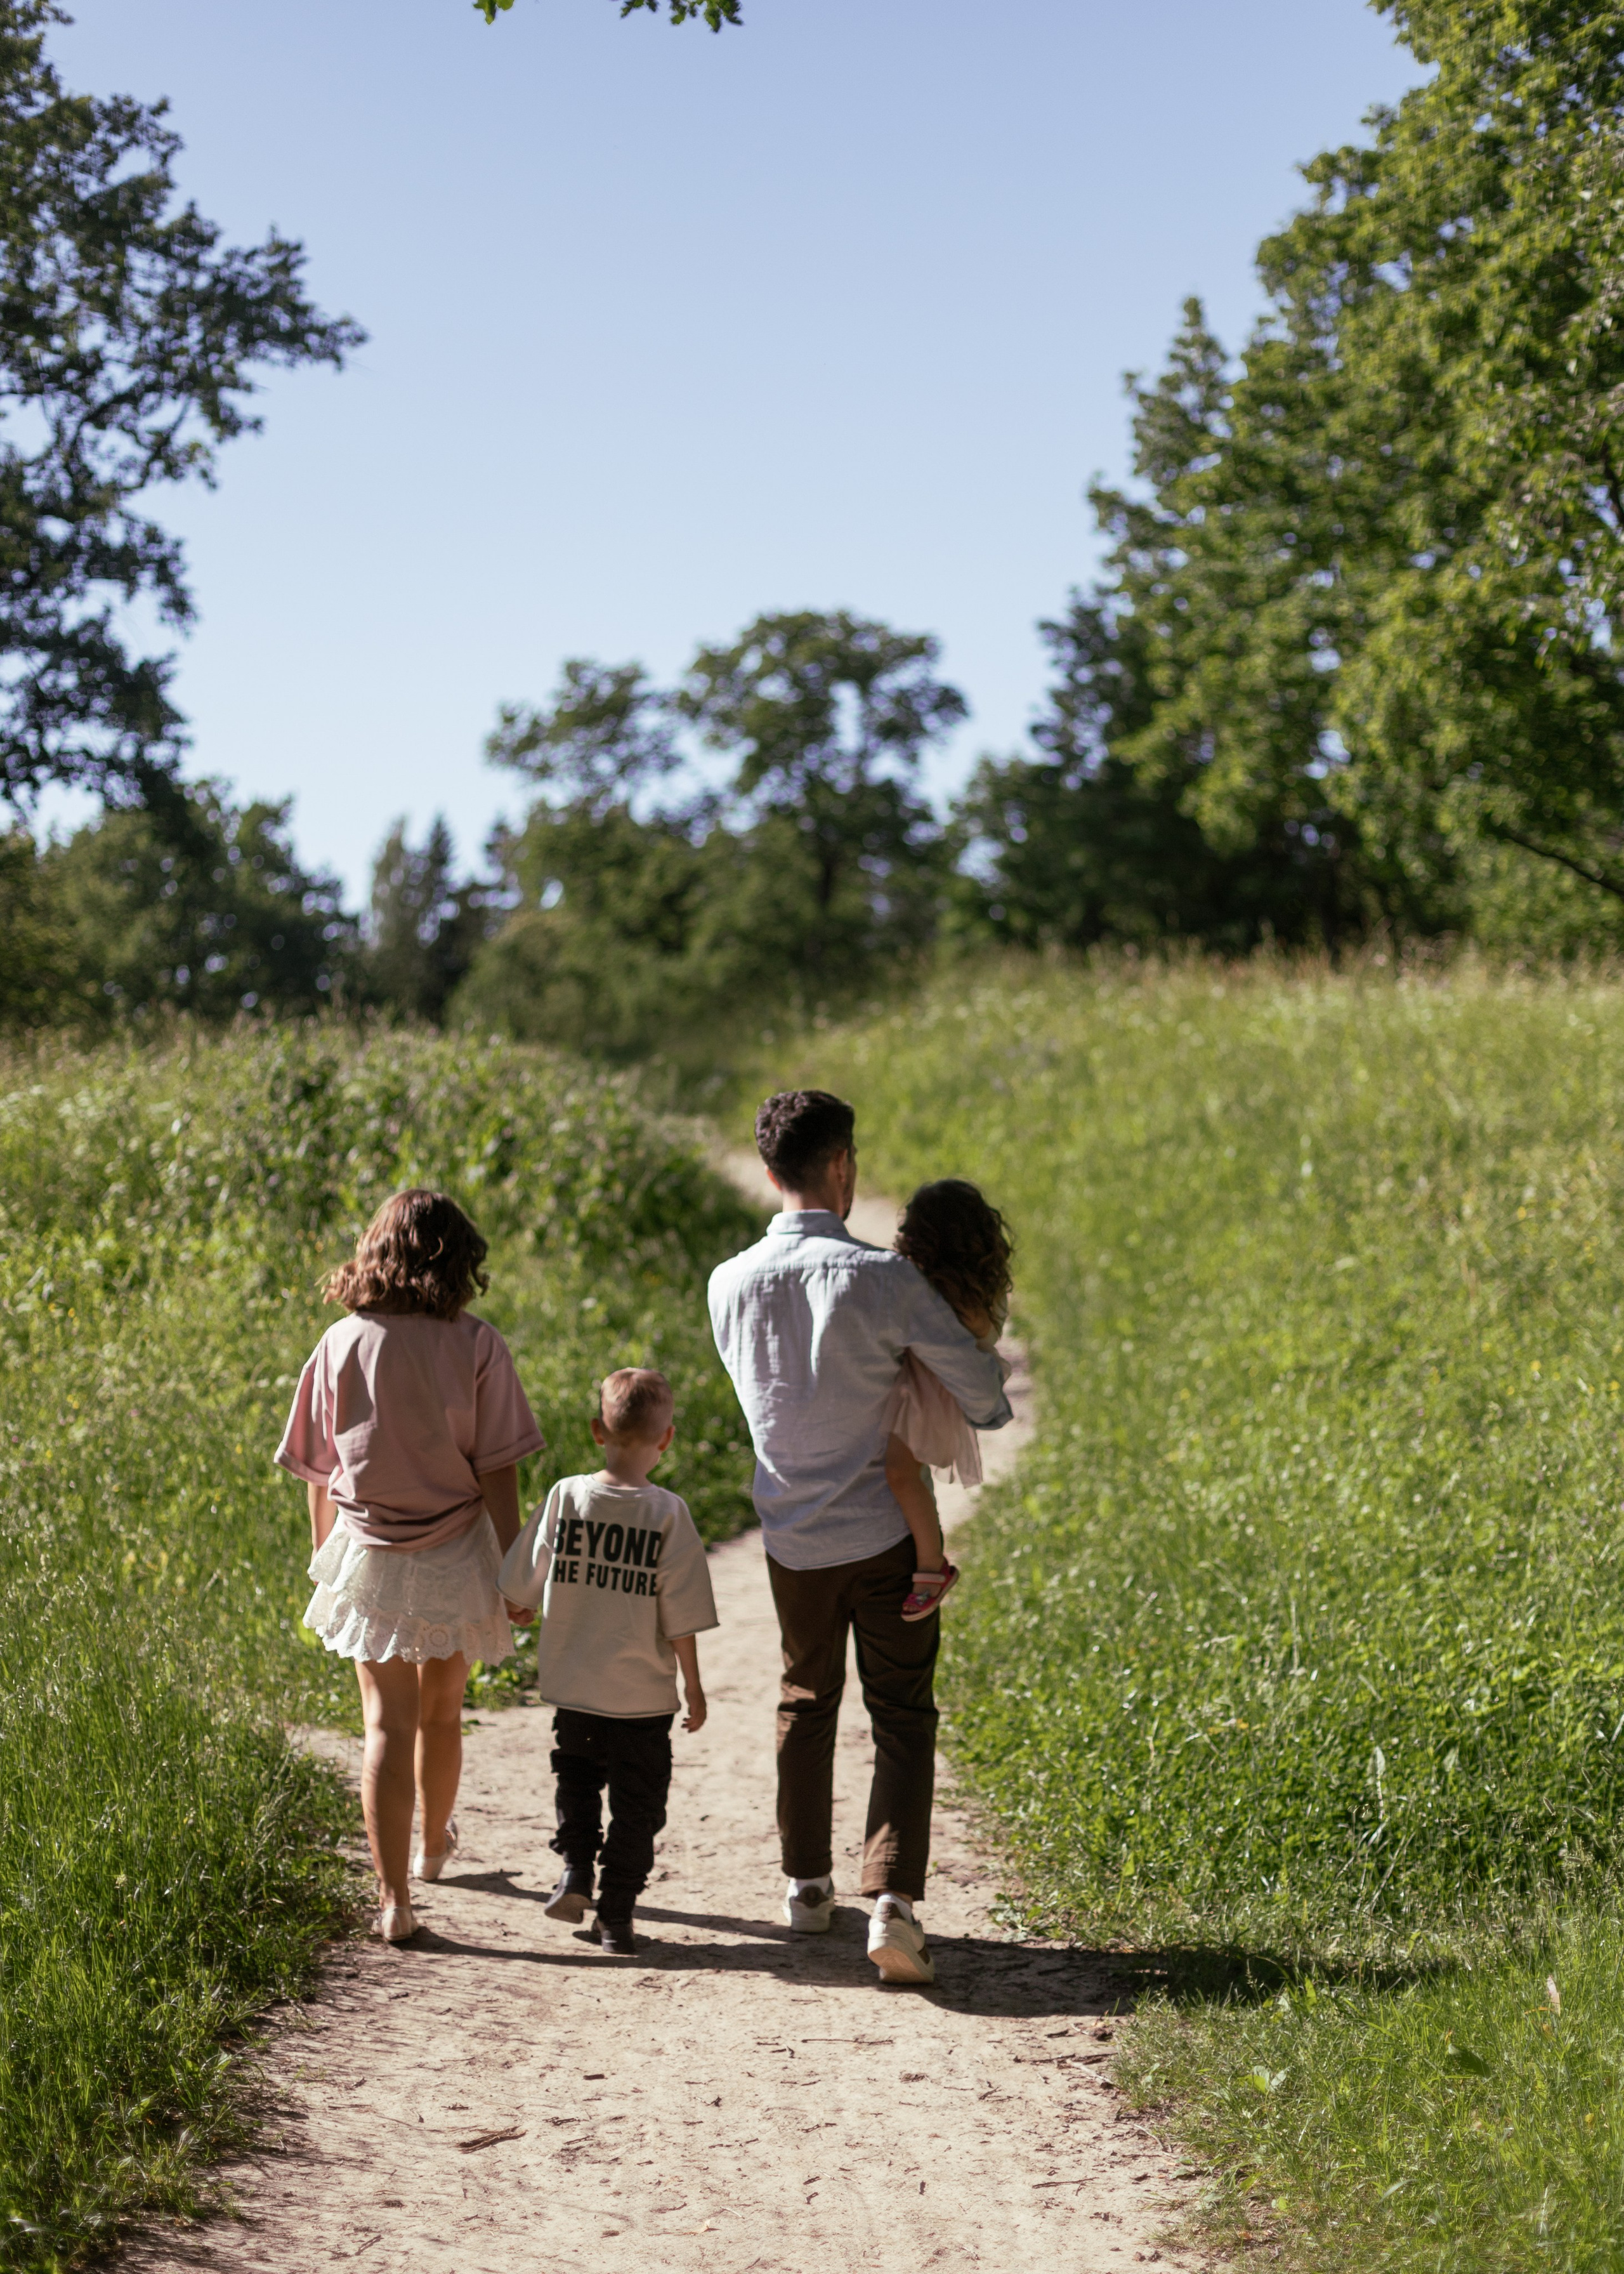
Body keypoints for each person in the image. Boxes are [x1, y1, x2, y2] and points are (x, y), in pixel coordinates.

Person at [707, 1091, 1011, 1987]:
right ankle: (893, 1904)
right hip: (887, 1539)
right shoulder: (886, 1282)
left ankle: (807, 1887)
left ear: (770, 1172)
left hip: (790, 1536)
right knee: (902, 1715)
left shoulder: (728, 1282)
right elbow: (988, 1400)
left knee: (805, 1700)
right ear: (843, 1165)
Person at [275, 1188, 544, 1945]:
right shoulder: (476, 1343)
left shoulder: (341, 1342)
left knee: (383, 1724)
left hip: (369, 1549)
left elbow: (318, 1471)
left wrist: (324, 1551)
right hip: (456, 1549)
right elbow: (498, 1469)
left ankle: (394, 1899)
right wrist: (516, 1565)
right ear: (459, 1260)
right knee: (441, 1710)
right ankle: (432, 1848)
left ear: (376, 1253)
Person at [499, 1367, 716, 1956]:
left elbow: (522, 1578)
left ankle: (574, 1870)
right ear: (666, 1440)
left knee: (576, 1780)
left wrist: (519, 1603)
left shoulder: (567, 1496)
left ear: (598, 1430)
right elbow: (683, 1616)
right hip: (643, 1700)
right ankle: (616, 1917)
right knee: (638, 1807)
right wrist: (693, 1687)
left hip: (575, 1688)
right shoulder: (669, 1514)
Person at [881, 1179, 1014, 1623]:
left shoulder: (956, 1292)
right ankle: (929, 1560)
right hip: (915, 1388)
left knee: (902, 1472)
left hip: (929, 1395)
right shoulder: (939, 1281)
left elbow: (977, 1336)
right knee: (908, 1473)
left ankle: (932, 1567)